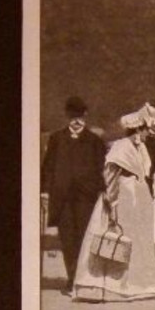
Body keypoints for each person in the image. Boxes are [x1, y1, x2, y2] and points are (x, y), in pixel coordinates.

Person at [73, 110, 155, 302]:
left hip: (136, 196)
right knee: (116, 237)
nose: (148, 133)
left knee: (136, 239)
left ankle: (136, 285)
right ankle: (106, 287)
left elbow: (144, 173)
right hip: (122, 196)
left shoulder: (141, 148)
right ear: (137, 129)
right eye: (145, 130)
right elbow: (110, 176)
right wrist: (112, 205)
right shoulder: (121, 147)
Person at [40, 96, 107, 294]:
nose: (76, 120)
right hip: (62, 197)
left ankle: (83, 278)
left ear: (85, 116)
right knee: (68, 239)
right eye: (73, 116)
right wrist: (44, 191)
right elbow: (48, 167)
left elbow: (101, 168)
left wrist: (103, 191)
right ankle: (71, 278)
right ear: (67, 116)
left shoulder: (95, 141)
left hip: (87, 196)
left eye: (80, 116)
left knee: (85, 236)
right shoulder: (56, 139)